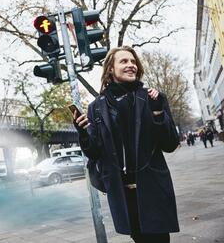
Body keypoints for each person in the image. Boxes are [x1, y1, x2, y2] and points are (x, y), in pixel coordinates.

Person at [74, 46, 179, 243]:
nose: (131, 65)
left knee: (159, 239)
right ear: (110, 69)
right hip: (123, 192)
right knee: (138, 238)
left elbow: (170, 144)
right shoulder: (96, 107)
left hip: (152, 187)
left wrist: (157, 113)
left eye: (133, 62)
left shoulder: (152, 98)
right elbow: (94, 152)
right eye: (124, 61)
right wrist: (83, 133)